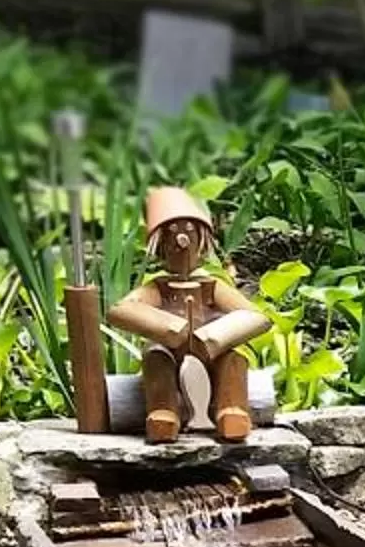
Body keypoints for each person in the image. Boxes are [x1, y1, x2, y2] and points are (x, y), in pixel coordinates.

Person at [104, 186, 270, 443]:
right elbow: (119, 311)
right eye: (171, 232)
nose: (181, 239)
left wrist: (217, 336)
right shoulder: (157, 288)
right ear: (160, 245)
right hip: (170, 350)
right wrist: (166, 327)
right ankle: (164, 413)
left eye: (189, 231)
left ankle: (231, 412)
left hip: (212, 352)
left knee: (234, 360)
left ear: (201, 240)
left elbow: (255, 317)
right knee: (156, 359)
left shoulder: (213, 286)